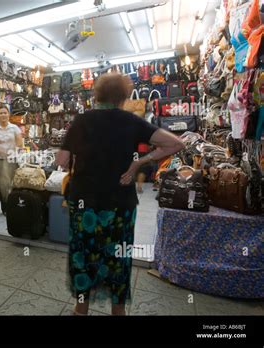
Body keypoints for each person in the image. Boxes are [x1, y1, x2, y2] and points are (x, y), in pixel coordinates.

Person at [56, 73, 185, 316]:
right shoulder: (132, 121)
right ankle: (118, 311)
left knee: (82, 254)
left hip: (85, 202)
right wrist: (139, 163)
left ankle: (80, 309)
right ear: (124, 96)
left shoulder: (81, 121)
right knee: (118, 255)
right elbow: (175, 144)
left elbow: (62, 161)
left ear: (97, 94)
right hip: (120, 203)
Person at [0, 105, 23, 214]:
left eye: (5, 113)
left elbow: (20, 143)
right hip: (0, 160)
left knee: (14, 183)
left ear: (9, 115)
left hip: (13, 159)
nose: (3, 115)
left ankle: (14, 205)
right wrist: (1, 151)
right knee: (3, 184)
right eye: (1, 113)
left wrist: (14, 151)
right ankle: (5, 207)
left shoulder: (15, 128)